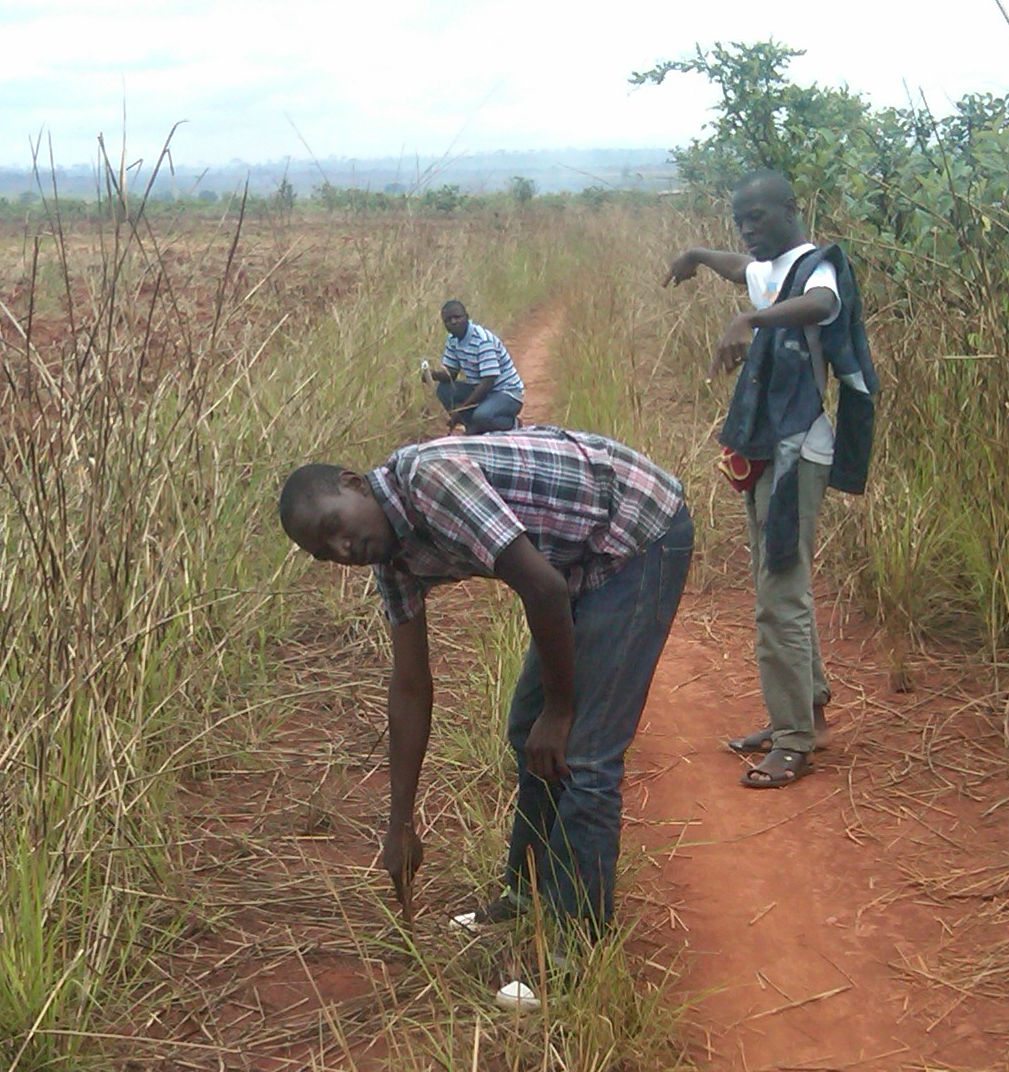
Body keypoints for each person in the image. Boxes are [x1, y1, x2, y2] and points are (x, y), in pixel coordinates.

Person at [276, 426, 692, 1003]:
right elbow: (410, 686)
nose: (344, 550)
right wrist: (400, 824)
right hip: (576, 559)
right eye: (327, 554)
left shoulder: (429, 480)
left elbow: (543, 589)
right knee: (527, 730)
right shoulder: (392, 563)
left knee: (583, 752)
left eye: (334, 527)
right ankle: (526, 894)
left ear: (355, 483)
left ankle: (576, 958)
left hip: (637, 531)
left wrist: (561, 709)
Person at [663, 168, 877, 789]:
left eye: (757, 217)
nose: (747, 230)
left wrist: (749, 322)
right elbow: (744, 269)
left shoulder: (817, 268)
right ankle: (807, 709)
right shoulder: (775, 271)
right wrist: (697, 255)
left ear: (792, 208)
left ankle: (793, 740)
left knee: (780, 598)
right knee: (776, 583)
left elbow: (823, 305)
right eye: (740, 221)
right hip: (766, 451)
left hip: (795, 455)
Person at [429, 299, 525, 434]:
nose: (454, 322)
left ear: (467, 317)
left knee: (482, 416)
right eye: (448, 320)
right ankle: (473, 425)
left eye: (457, 317)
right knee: (444, 390)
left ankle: (512, 424)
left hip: (506, 392)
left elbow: (488, 382)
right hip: (481, 389)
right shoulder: (452, 340)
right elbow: (451, 373)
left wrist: (461, 409)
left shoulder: (482, 341)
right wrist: (431, 375)